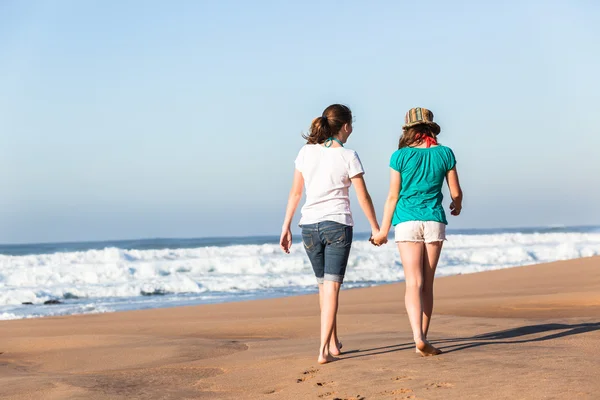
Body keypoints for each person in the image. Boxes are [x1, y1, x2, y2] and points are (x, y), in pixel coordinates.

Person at [280, 104, 382, 364]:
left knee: (323, 288)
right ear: (345, 126)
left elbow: (295, 193)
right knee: (332, 289)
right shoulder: (348, 155)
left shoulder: (306, 152)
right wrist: (375, 227)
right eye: (352, 125)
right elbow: (363, 196)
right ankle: (323, 351)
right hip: (337, 224)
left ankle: (334, 343)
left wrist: (286, 226)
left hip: (309, 226)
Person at [372, 107, 463, 356]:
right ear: (431, 128)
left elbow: (392, 196)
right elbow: (456, 192)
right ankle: (424, 339)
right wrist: (457, 205)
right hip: (434, 220)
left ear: (409, 130)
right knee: (428, 284)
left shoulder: (399, 157)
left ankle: (417, 337)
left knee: (413, 283)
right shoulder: (445, 153)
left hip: (406, 222)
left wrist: (382, 231)